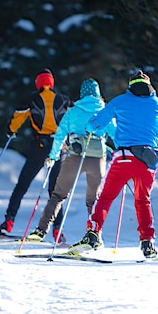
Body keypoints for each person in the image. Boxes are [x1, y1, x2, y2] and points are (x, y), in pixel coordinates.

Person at [72, 70, 158, 258]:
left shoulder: (120, 101)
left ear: (130, 86)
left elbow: (94, 125)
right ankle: (147, 242)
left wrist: (90, 126)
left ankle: (93, 234)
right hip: (146, 162)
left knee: (106, 197)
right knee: (142, 201)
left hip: (123, 158)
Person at [26, 78, 116, 243]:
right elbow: (115, 134)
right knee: (93, 200)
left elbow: (60, 135)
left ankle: (41, 230)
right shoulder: (105, 111)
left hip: (74, 156)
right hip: (97, 159)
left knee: (58, 195)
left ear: (82, 94)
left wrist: (53, 156)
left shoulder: (73, 111)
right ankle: (94, 236)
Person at [0, 68, 73, 240]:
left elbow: (18, 118)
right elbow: (72, 119)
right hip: (59, 148)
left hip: (40, 146)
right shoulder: (64, 100)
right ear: (51, 83)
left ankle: (9, 221)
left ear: (38, 83)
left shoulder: (31, 99)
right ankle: (57, 229)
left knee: (22, 185)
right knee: (55, 191)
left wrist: (10, 131)